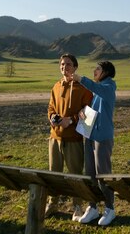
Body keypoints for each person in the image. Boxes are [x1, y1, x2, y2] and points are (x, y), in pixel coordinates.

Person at [45, 53, 93, 221]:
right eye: (62, 64)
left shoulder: (82, 88)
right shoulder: (56, 86)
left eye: (69, 64)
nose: (65, 67)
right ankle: (52, 203)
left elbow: (88, 110)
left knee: (75, 174)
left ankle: (78, 205)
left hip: (74, 139)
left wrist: (71, 120)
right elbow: (51, 108)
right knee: (54, 173)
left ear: (75, 67)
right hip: (55, 137)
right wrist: (55, 119)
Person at [72, 61, 117, 226]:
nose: (94, 70)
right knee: (90, 173)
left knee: (102, 175)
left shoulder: (108, 88)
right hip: (90, 135)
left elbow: (96, 89)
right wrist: (83, 113)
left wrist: (80, 79)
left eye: (97, 68)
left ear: (105, 72)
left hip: (102, 137)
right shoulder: (99, 90)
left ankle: (110, 208)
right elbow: (94, 110)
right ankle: (92, 207)